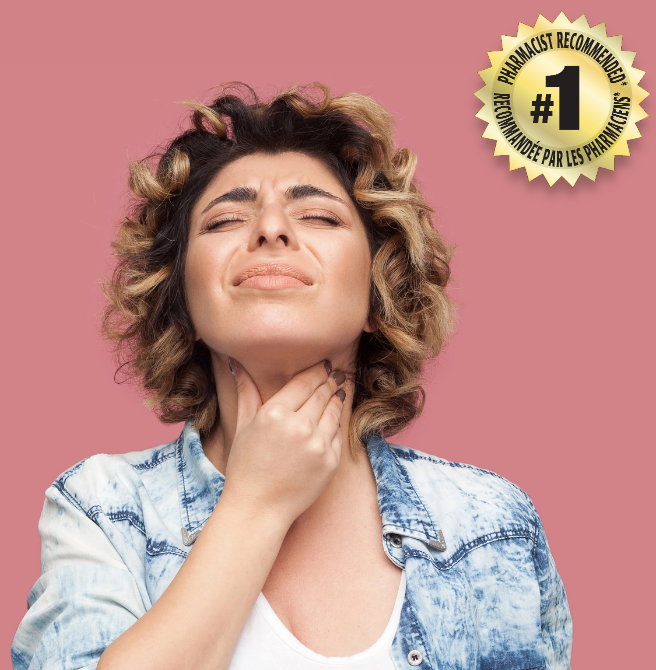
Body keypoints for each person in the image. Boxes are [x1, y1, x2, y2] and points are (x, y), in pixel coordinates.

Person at [11, 82, 573, 670]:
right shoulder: (103, 507)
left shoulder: (491, 523)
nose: (271, 228)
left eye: (318, 215)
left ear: (381, 293)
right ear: (180, 301)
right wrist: (256, 504)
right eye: (226, 218)